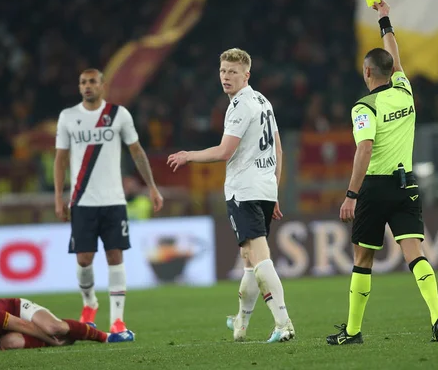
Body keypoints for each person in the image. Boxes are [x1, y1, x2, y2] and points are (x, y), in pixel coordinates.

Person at [326, 0, 438, 345]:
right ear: (392, 70)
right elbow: (393, 53)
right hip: (407, 184)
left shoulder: (364, 107)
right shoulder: (404, 89)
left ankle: (352, 331)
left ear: (367, 72)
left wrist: (351, 194)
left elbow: (364, 149)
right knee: (416, 253)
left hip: (375, 188)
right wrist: (384, 19)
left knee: (363, 258)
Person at [167, 48, 294, 343]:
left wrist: (189, 155)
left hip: (244, 191)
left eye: (233, 72)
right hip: (263, 189)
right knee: (248, 260)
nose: (226, 77)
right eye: (223, 71)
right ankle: (241, 324)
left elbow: (225, 151)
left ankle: (284, 323)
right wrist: (274, 190)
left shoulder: (239, 106)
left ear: (246, 75)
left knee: (260, 259)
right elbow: (278, 149)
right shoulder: (263, 100)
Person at [54, 68, 164, 342]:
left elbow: (136, 151)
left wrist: (151, 186)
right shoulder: (68, 117)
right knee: (84, 259)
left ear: (102, 85)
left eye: (92, 81)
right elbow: (60, 159)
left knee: (115, 256)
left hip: (114, 201)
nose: (87, 86)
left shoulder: (119, 115)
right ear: (79, 87)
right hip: (81, 201)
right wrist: (58, 196)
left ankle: (117, 320)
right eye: (83, 82)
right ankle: (90, 302)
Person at [0, 298, 108, 353]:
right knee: (11, 343)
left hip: (16, 310)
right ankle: (75, 331)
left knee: (53, 329)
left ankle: (103, 336)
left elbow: (22, 324)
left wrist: (51, 341)